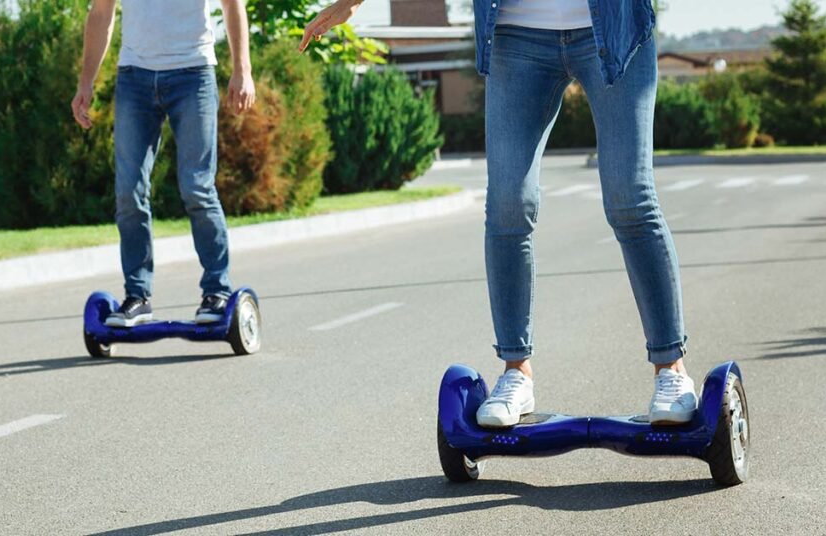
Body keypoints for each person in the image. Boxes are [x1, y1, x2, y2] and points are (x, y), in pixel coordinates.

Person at [301, 0, 696, 427]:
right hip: (516, 34)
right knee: (508, 204)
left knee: (629, 199)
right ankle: (515, 371)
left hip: (614, 26)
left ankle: (671, 369)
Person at [71, 0, 256, 327]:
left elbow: (232, 5)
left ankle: (217, 291)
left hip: (193, 73)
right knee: (128, 193)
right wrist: (86, 81)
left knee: (197, 187)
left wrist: (243, 70)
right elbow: (101, 13)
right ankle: (137, 296)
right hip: (134, 78)